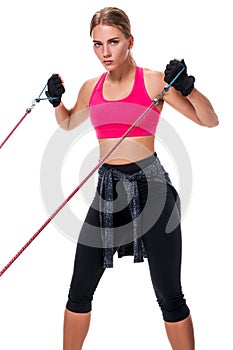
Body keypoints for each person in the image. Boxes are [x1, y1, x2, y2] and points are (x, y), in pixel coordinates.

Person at [46, 7, 219, 350]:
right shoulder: (90, 87)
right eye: (97, 44)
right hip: (108, 190)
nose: (105, 52)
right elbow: (68, 123)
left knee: (169, 294)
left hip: (153, 191)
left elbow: (208, 120)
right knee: (79, 288)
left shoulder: (154, 82)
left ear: (130, 41)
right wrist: (56, 102)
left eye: (113, 42)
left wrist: (188, 88)